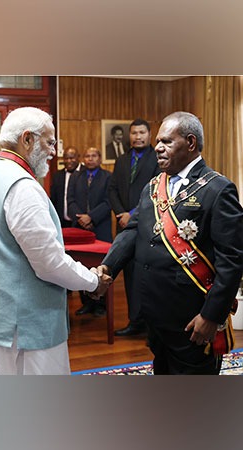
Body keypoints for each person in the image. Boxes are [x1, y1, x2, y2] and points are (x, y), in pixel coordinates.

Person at [0, 107, 111, 375]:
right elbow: (49, 263)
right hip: (21, 325)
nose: (54, 151)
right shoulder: (22, 187)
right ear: (27, 139)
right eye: (49, 142)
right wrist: (93, 281)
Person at [98, 111, 243, 374]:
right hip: (154, 312)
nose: (158, 148)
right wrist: (107, 267)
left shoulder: (217, 189)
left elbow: (232, 262)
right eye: (158, 142)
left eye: (166, 142)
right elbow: (132, 232)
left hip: (192, 318)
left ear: (190, 143)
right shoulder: (153, 186)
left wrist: (212, 316)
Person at [107, 118, 159, 336]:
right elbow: (112, 190)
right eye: (134, 133)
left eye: (142, 133)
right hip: (124, 225)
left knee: (148, 275)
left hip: (148, 226)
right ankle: (134, 321)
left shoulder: (157, 159)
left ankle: (151, 324)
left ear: (149, 135)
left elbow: (156, 191)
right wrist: (121, 214)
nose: (138, 137)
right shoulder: (121, 160)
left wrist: (133, 215)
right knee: (129, 275)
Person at [67, 147, 112, 317]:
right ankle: (86, 303)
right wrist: (81, 218)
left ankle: (101, 304)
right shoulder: (76, 177)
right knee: (82, 266)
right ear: (83, 159)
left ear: (99, 158)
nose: (90, 158)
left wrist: (91, 217)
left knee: (102, 267)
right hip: (79, 230)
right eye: (87, 155)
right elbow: (70, 200)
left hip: (100, 227)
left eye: (94, 155)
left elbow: (109, 202)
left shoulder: (108, 177)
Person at [50, 146, 82, 228]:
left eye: (72, 158)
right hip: (62, 222)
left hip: (82, 222)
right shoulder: (57, 176)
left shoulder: (85, 174)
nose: (68, 161)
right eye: (66, 158)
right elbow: (54, 199)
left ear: (78, 157)